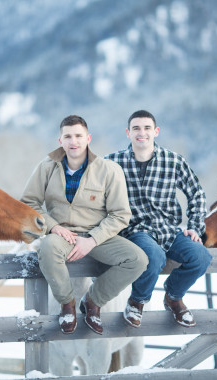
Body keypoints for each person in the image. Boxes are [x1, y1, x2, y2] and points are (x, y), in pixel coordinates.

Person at [21, 115, 148, 335]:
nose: (74, 141)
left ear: (88, 138)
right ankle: (67, 305)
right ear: (60, 140)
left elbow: (120, 215)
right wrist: (53, 227)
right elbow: (28, 204)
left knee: (138, 260)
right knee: (48, 248)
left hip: (98, 236)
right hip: (62, 237)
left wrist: (92, 240)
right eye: (68, 136)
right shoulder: (46, 167)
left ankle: (92, 301)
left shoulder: (109, 170)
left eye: (78, 136)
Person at [105, 110, 212, 328]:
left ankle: (173, 297)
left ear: (156, 131)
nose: (141, 133)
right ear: (128, 133)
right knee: (153, 257)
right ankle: (137, 301)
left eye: (147, 128)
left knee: (201, 257)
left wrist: (194, 227)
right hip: (135, 230)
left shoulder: (173, 161)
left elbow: (197, 193)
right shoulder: (112, 162)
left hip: (169, 229)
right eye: (136, 128)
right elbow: (93, 193)